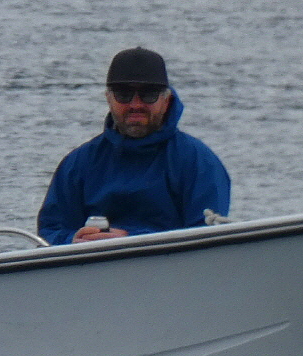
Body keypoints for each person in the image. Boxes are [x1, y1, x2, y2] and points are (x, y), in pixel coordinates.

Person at [36, 47, 231, 246]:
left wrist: (131, 240)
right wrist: (73, 240)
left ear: (166, 100)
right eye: (124, 94)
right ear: (108, 98)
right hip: (90, 263)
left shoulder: (199, 162)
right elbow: (49, 233)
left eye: (148, 95)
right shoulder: (77, 164)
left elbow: (206, 237)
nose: (136, 105)